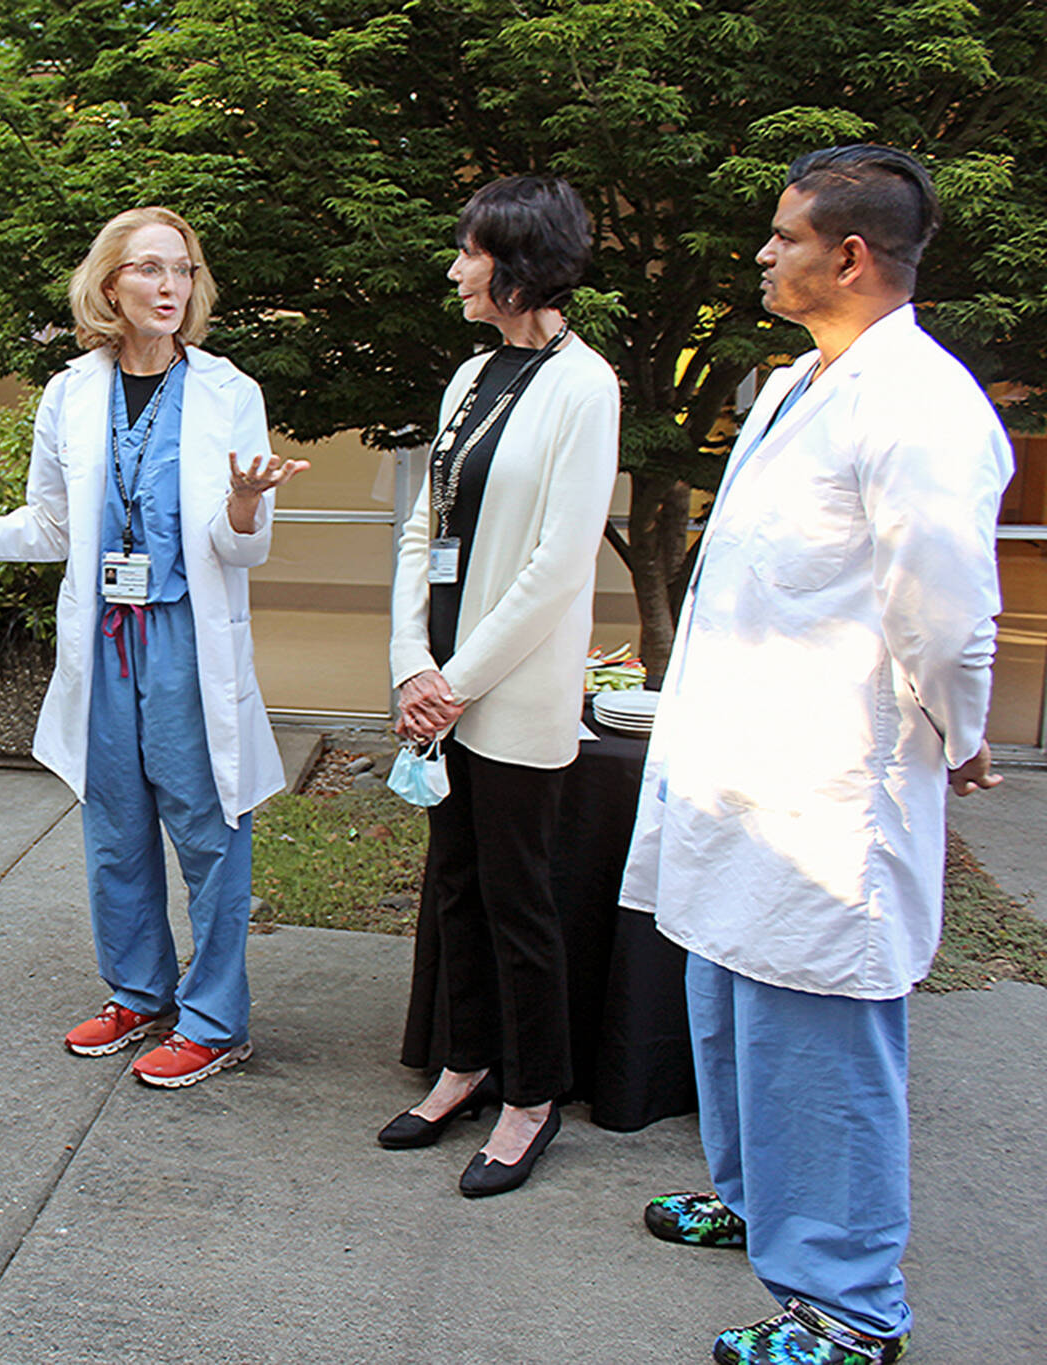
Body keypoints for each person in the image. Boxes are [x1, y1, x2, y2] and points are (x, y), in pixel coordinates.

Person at [622, 146, 1010, 1365]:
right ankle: (754, 1202)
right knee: (728, 999)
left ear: (848, 255)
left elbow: (945, 610)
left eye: (782, 236)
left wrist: (961, 732)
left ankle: (847, 1309)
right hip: (737, 766)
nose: (761, 253)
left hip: (825, 784)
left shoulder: (921, 403)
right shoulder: (798, 382)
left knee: (818, 1033)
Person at [0, 207, 306, 1089]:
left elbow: (236, 544)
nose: (170, 286)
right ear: (111, 284)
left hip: (184, 636)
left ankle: (216, 1018)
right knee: (113, 824)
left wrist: (250, 504)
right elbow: (53, 525)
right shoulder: (73, 391)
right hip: (103, 636)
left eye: (182, 270)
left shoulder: (229, 391)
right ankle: (140, 991)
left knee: (209, 826)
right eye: (149, 270)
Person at [382, 175, 620, 1195]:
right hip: (436, 681)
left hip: (510, 693)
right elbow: (419, 529)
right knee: (455, 888)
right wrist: (409, 664)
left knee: (520, 899)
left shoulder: (584, 384)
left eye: (469, 252)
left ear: (517, 264)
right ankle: (465, 1064)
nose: (454, 269)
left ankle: (533, 1096)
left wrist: (456, 682)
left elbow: (559, 565)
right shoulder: (469, 376)